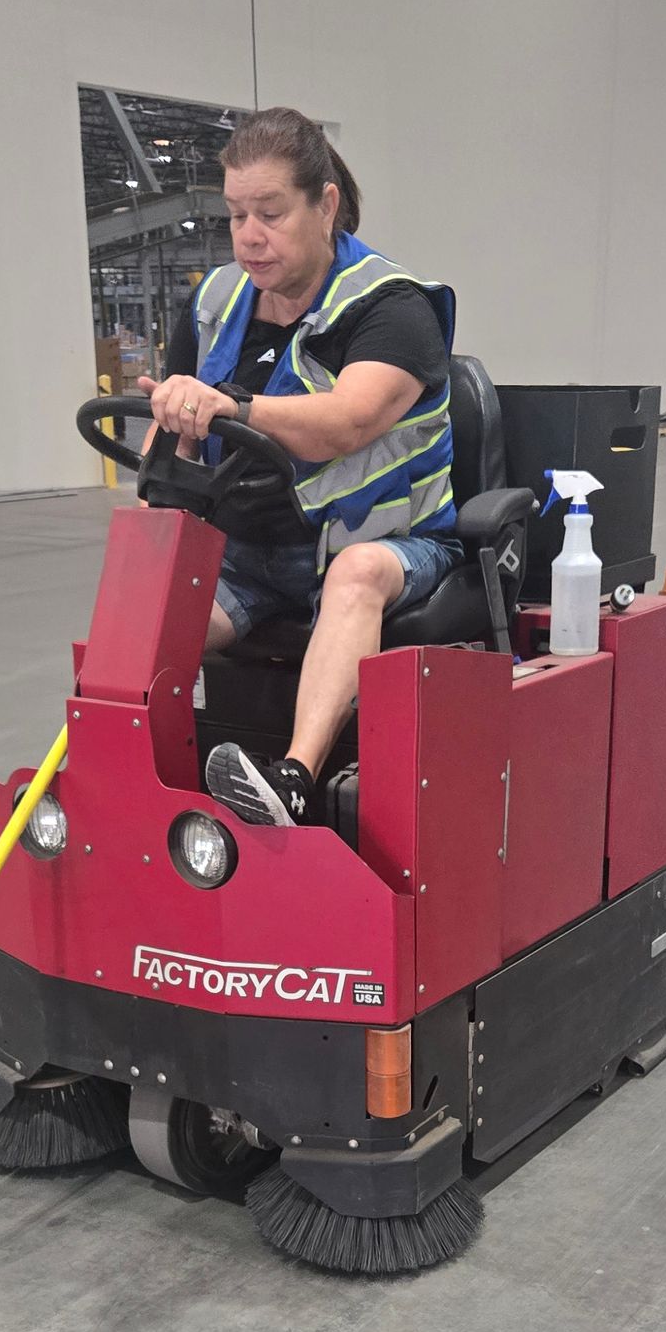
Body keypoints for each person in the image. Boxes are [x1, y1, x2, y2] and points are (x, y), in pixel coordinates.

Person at [146, 108, 462, 828]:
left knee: (354, 576)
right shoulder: (215, 302)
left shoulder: (391, 307)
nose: (249, 236)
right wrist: (174, 442)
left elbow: (345, 422)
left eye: (270, 212)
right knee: (154, 615)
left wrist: (227, 405)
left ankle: (291, 780)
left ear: (324, 206)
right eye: (234, 216)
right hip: (252, 558)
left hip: (383, 543)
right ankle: (130, 777)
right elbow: (182, 437)